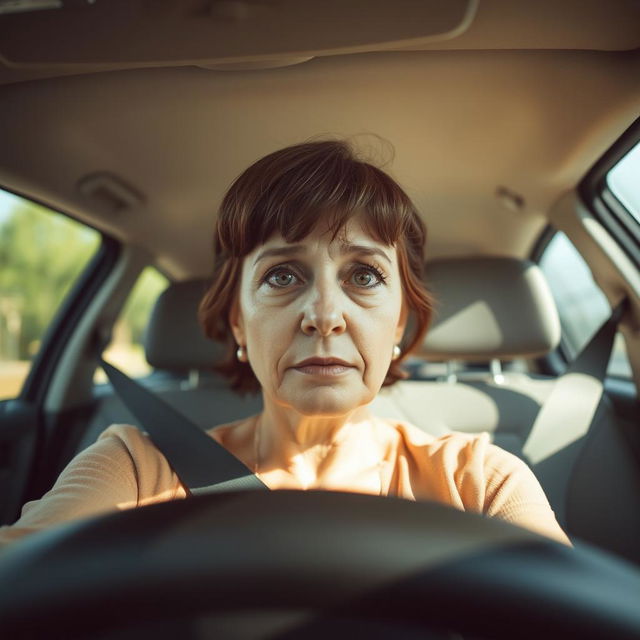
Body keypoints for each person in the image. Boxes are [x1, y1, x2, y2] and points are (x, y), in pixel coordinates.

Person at [0, 138, 571, 550]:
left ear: (399, 321)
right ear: (238, 321)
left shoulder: (481, 483)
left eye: (364, 276)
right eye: (282, 276)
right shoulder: (139, 469)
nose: (324, 316)